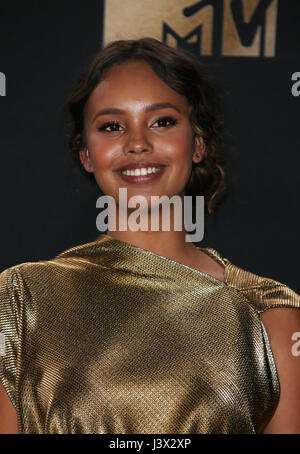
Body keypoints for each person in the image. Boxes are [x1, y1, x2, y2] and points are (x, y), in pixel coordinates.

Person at [0, 37, 299, 434]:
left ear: (197, 143)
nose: (137, 143)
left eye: (162, 121)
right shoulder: (22, 297)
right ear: (86, 153)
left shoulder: (271, 314)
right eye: (112, 126)